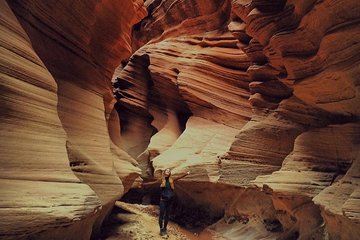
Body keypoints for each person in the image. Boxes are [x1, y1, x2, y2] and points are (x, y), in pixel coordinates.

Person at [140, 168, 190, 237]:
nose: (167, 172)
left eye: (169, 171)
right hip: (163, 200)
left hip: (170, 200)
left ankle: (165, 228)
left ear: (170, 173)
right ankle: (161, 229)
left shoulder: (171, 179)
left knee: (167, 216)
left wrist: (186, 173)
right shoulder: (161, 180)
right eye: (166, 171)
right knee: (161, 215)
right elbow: (152, 183)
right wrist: (143, 184)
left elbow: (179, 177)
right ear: (164, 172)